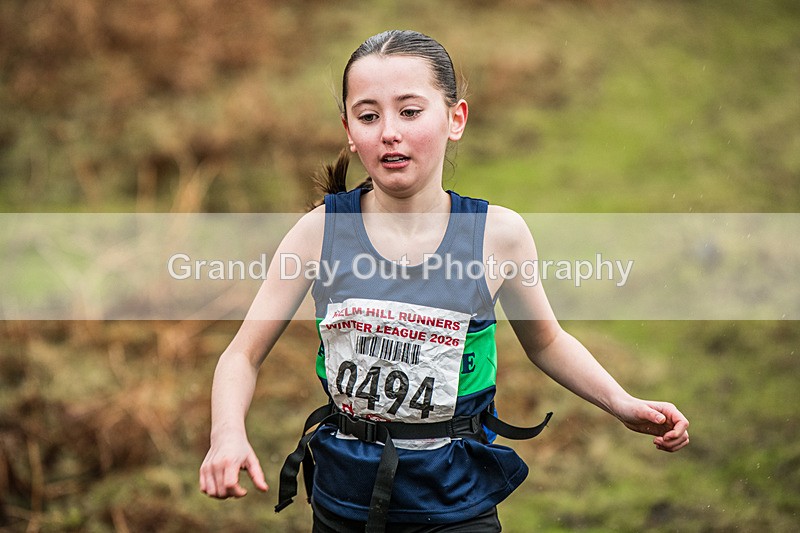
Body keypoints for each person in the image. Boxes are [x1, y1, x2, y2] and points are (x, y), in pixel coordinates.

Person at [199, 30, 690, 532]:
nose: (389, 131)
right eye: (369, 116)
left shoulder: (498, 236)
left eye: (410, 111)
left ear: (455, 119)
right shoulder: (320, 231)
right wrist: (226, 434)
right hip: (343, 503)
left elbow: (547, 343)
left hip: (456, 506)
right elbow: (242, 353)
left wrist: (621, 402)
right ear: (349, 129)